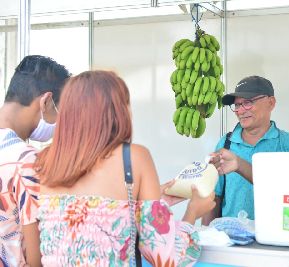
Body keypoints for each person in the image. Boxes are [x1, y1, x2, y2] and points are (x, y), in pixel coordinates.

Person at [34, 70, 215, 266]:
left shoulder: (43, 161)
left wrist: (157, 202)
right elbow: (164, 255)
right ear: (117, 110)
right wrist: (193, 212)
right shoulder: (134, 157)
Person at [202, 75, 289, 225]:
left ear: (271, 103)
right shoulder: (226, 144)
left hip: (275, 237)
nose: (240, 110)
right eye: (237, 105)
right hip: (230, 237)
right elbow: (214, 196)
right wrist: (206, 235)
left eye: (248, 102)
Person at [0, 55, 70, 266]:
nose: (60, 121)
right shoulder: (25, 160)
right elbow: (37, 258)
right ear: (46, 101)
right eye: (61, 111)